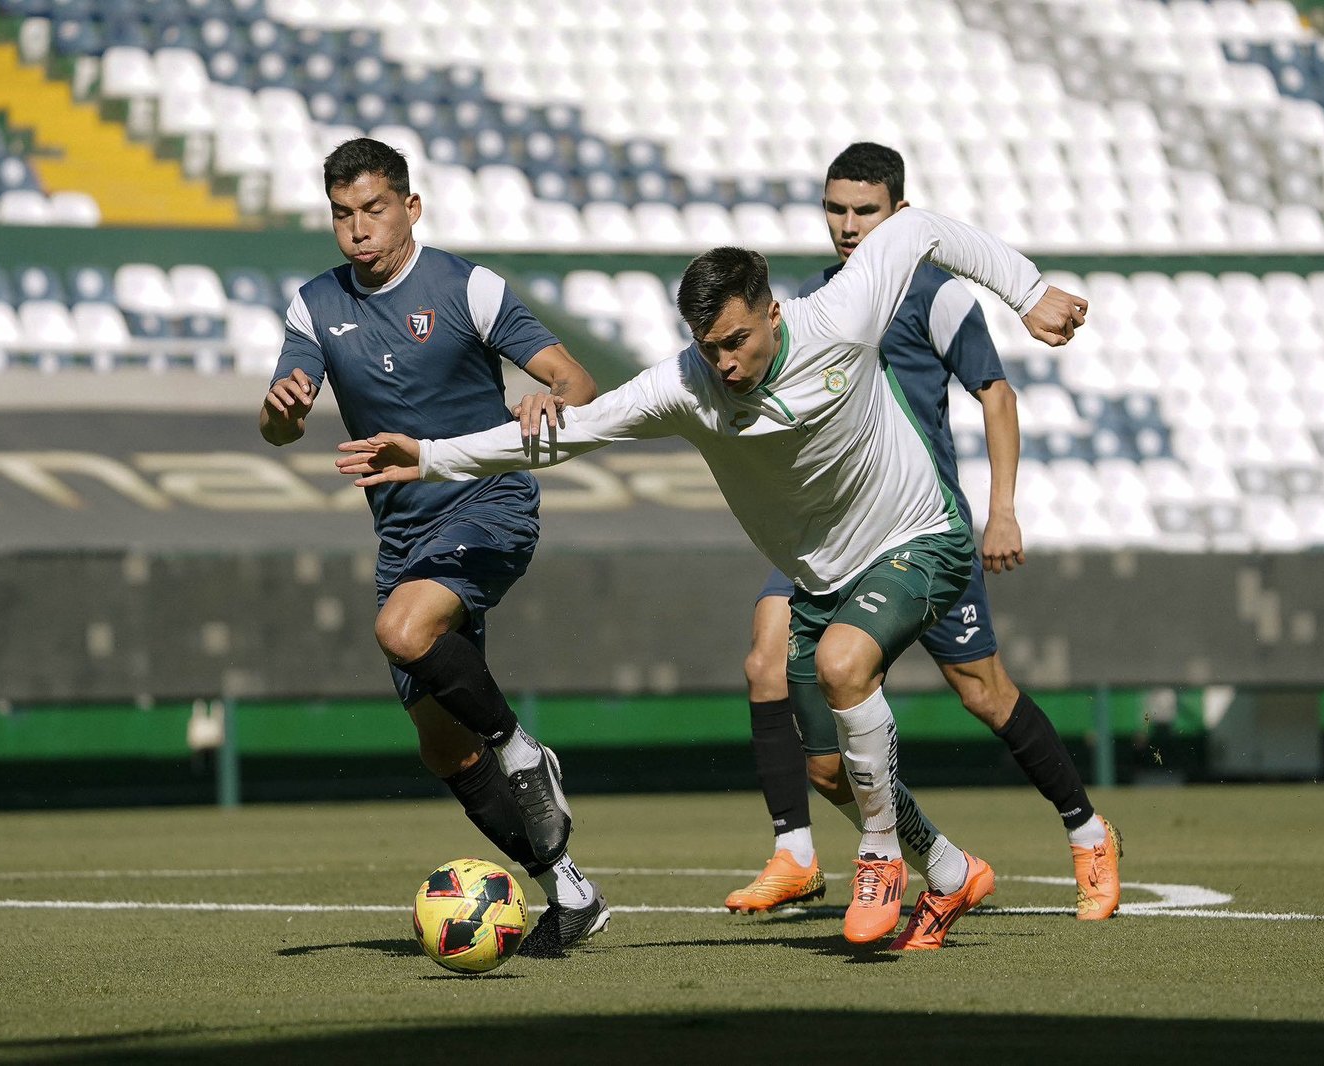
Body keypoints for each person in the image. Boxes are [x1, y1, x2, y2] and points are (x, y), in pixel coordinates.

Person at [334, 198, 1088, 950]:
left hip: (920, 535)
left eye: (736, 341)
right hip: (822, 579)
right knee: (827, 772)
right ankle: (953, 873)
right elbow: (572, 433)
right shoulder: (685, 383)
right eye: (708, 345)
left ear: (773, 312)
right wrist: (431, 457)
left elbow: (918, 226)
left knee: (843, 664)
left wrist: (1027, 292)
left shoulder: (843, 313)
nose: (724, 363)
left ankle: (883, 858)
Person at [724, 143, 1122, 922]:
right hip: (837, 535)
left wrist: (1002, 509)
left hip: (920, 529)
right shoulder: (809, 302)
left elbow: (996, 394)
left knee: (986, 694)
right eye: (835, 209)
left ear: (898, 214)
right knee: (767, 660)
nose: (847, 225)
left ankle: (1088, 830)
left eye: (864, 211)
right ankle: (797, 855)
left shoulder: (936, 295)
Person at [260, 137, 608, 956]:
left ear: (410, 208)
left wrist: (542, 404)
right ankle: (569, 888)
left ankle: (525, 754)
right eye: (343, 216)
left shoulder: (467, 287)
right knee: (445, 748)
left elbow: (578, 383)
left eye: (374, 211)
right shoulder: (314, 305)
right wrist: (281, 409)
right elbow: (278, 428)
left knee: (402, 631)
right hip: (403, 535)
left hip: (490, 502)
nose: (359, 231)